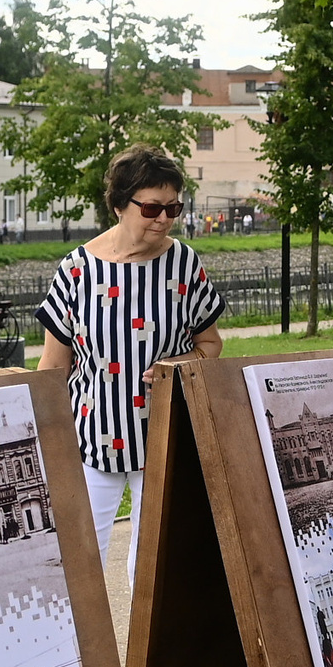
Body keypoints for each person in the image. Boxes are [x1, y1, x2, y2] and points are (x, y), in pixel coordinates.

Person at [36, 144, 228, 586]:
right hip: (91, 439)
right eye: (152, 208)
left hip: (164, 438)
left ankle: (148, 656)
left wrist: (177, 365)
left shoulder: (184, 264)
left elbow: (211, 344)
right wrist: (47, 436)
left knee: (152, 569)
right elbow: (53, 366)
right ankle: (89, 657)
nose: (163, 218)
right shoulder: (77, 271)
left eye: (173, 207)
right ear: (121, 204)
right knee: (80, 565)